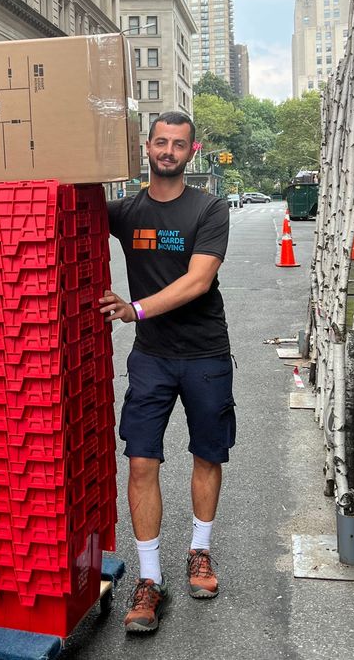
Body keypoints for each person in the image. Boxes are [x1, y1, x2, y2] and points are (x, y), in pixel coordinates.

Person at [99, 111, 234, 635]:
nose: (169, 150)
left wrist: (135, 309)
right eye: (161, 142)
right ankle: (149, 580)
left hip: (204, 353)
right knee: (140, 463)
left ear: (191, 152)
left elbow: (198, 282)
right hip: (152, 357)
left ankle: (199, 551)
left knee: (207, 453)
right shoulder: (127, 210)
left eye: (179, 144)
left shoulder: (209, 208)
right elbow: (65, 207)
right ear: (147, 147)